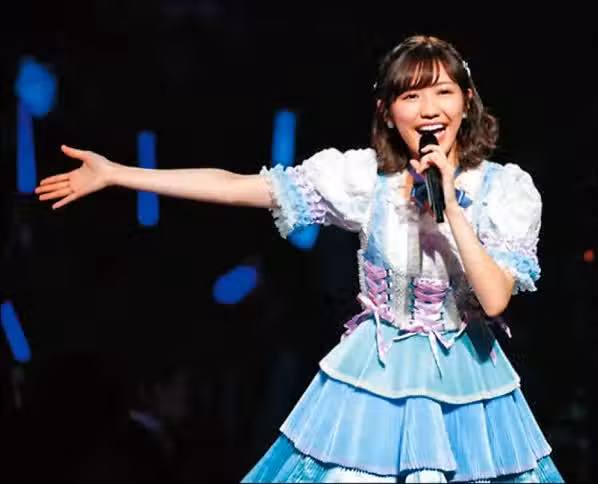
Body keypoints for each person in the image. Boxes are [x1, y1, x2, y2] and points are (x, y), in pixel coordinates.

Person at [35, 35, 563, 482]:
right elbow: (238, 186)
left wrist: (448, 203)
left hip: (469, 390)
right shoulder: (363, 179)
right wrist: (118, 174)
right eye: (411, 95)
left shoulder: (505, 191)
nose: (429, 109)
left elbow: (494, 298)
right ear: (387, 111)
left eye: (443, 92)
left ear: (466, 101)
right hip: (374, 384)